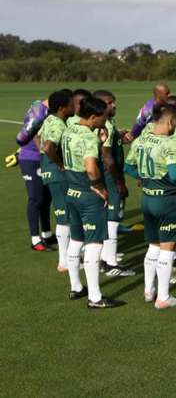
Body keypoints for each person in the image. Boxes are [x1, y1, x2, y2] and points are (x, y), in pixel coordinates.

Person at [61, 96, 123, 308]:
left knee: (76, 240)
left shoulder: (69, 129)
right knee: (94, 244)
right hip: (88, 194)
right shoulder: (88, 138)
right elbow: (90, 166)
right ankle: (95, 297)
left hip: (71, 190)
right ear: (94, 116)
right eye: (103, 118)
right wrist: (99, 187)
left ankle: (76, 287)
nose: (104, 122)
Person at [124, 104, 176, 308]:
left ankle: (148, 290)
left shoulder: (141, 140)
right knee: (168, 249)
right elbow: (175, 175)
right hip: (166, 200)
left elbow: (127, 167)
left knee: (153, 246)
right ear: (169, 121)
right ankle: (163, 297)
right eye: (174, 123)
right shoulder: (169, 144)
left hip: (147, 198)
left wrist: (143, 177)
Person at [94, 90, 135, 277]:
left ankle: (105, 258)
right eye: (110, 103)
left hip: (103, 177)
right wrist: (120, 184)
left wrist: (119, 136)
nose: (114, 105)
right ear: (101, 106)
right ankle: (111, 264)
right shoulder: (107, 127)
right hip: (110, 177)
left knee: (107, 217)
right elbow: (108, 157)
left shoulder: (107, 125)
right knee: (113, 218)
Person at [37, 90, 75, 270]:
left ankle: (66, 258)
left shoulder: (49, 120)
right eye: (71, 104)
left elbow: (38, 138)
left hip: (48, 170)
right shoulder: (59, 125)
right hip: (57, 174)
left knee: (62, 213)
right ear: (62, 108)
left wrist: (44, 158)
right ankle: (65, 260)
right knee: (64, 215)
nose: (74, 106)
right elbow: (49, 146)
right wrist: (60, 164)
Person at [16, 95, 54, 252]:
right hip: (32, 160)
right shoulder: (40, 111)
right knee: (36, 198)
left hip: (41, 159)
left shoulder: (41, 108)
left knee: (46, 198)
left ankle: (46, 234)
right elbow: (34, 135)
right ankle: (35, 239)